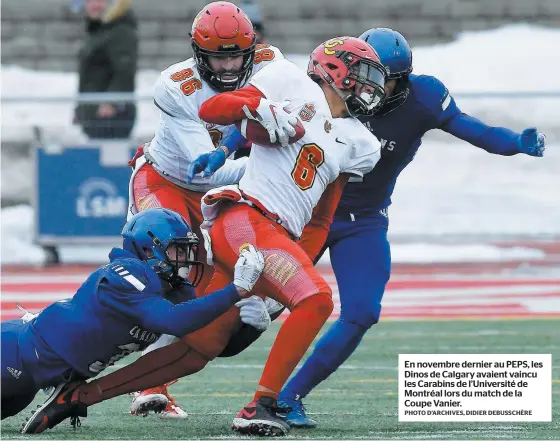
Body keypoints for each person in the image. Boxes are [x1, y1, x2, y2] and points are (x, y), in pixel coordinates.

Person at [19, 36, 386, 437]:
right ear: (334, 68)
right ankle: (260, 406)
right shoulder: (289, 79)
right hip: (246, 217)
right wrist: (256, 106)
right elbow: (214, 108)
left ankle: (78, 397)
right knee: (316, 299)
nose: (371, 86)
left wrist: (287, 279)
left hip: (277, 236)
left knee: (198, 349)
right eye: (363, 73)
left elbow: (318, 223)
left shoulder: (362, 144)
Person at [276, 28, 547, 428]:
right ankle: (162, 381)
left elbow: (472, 129)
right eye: (366, 75)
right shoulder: (320, 89)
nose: (374, 87)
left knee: (363, 311)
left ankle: (288, 396)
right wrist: (222, 152)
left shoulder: (423, 96)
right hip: (302, 213)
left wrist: (512, 143)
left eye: (385, 78)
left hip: (362, 220)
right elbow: (262, 122)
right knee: (251, 304)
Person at [126, 0, 285, 417]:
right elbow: (206, 168)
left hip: (224, 189)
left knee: (236, 285)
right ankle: (76, 348)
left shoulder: (273, 65)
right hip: (169, 182)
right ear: (199, 54)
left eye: (237, 54)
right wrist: (272, 169)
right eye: (220, 55)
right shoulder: (177, 85)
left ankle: (152, 383)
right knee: (172, 277)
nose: (230, 66)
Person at [9, 208, 265, 434]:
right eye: (178, 249)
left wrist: (247, 329)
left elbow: (205, 344)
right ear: (147, 249)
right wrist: (235, 290)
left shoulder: (172, 288)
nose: (185, 258)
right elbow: (174, 321)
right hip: (16, 354)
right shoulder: (128, 272)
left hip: (38, 374)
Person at [73, 0, 138, 139]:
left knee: (110, 158)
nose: (94, 5)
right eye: (89, 1)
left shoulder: (120, 31)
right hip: (94, 113)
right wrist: (82, 109)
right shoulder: (99, 31)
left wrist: (111, 103)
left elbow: (124, 71)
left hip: (110, 117)